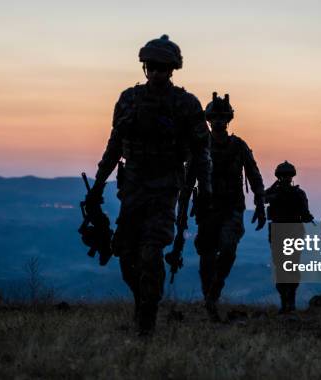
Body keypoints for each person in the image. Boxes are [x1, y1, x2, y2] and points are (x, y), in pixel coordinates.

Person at [85, 35, 212, 335]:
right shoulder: (128, 99)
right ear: (145, 67)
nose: (155, 72)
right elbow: (115, 143)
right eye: (151, 66)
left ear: (172, 69)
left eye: (162, 67)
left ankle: (147, 318)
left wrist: (204, 192)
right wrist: (98, 184)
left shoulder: (185, 103)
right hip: (133, 187)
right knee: (126, 254)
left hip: (166, 186)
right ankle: (142, 302)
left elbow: (201, 151)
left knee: (151, 250)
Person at [184, 92, 265, 321]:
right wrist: (182, 205)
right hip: (207, 208)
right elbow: (189, 176)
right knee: (207, 254)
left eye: (223, 117)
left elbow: (253, 174)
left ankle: (215, 290)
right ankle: (209, 300)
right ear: (209, 120)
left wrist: (260, 203)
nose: (219, 121)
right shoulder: (200, 145)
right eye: (215, 117)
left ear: (228, 119)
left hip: (232, 207)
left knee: (228, 248)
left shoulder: (238, 146)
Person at [265, 161, 314, 313]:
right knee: (287, 267)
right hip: (286, 232)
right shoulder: (295, 193)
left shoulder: (293, 193)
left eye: (287, 176)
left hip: (286, 232)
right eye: (284, 176)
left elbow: (305, 215)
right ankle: (287, 302)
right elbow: (262, 199)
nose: (286, 178)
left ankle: (287, 302)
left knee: (285, 267)